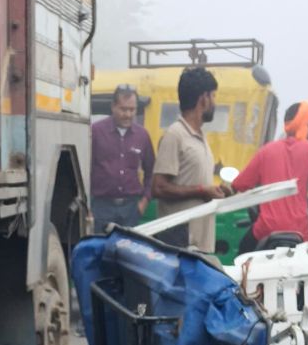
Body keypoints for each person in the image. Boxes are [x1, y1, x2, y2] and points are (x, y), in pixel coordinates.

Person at [231, 101, 308, 251]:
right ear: (304, 124)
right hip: (300, 232)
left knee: (242, 253)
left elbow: (238, 185)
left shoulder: (266, 151)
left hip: (265, 229)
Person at [151, 67, 229, 251]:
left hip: (199, 243)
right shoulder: (175, 135)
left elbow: (193, 182)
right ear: (204, 98)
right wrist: (202, 190)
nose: (214, 103)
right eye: (214, 96)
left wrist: (215, 190)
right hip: (180, 244)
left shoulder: (199, 137)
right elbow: (158, 187)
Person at [90, 84, 155, 233]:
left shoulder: (143, 136)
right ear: (113, 107)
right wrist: (88, 207)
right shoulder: (96, 132)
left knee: (127, 253)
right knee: (101, 252)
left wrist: (144, 202)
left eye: (132, 110)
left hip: (131, 209)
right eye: (123, 109)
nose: (128, 114)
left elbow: (151, 171)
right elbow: (85, 170)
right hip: (101, 208)